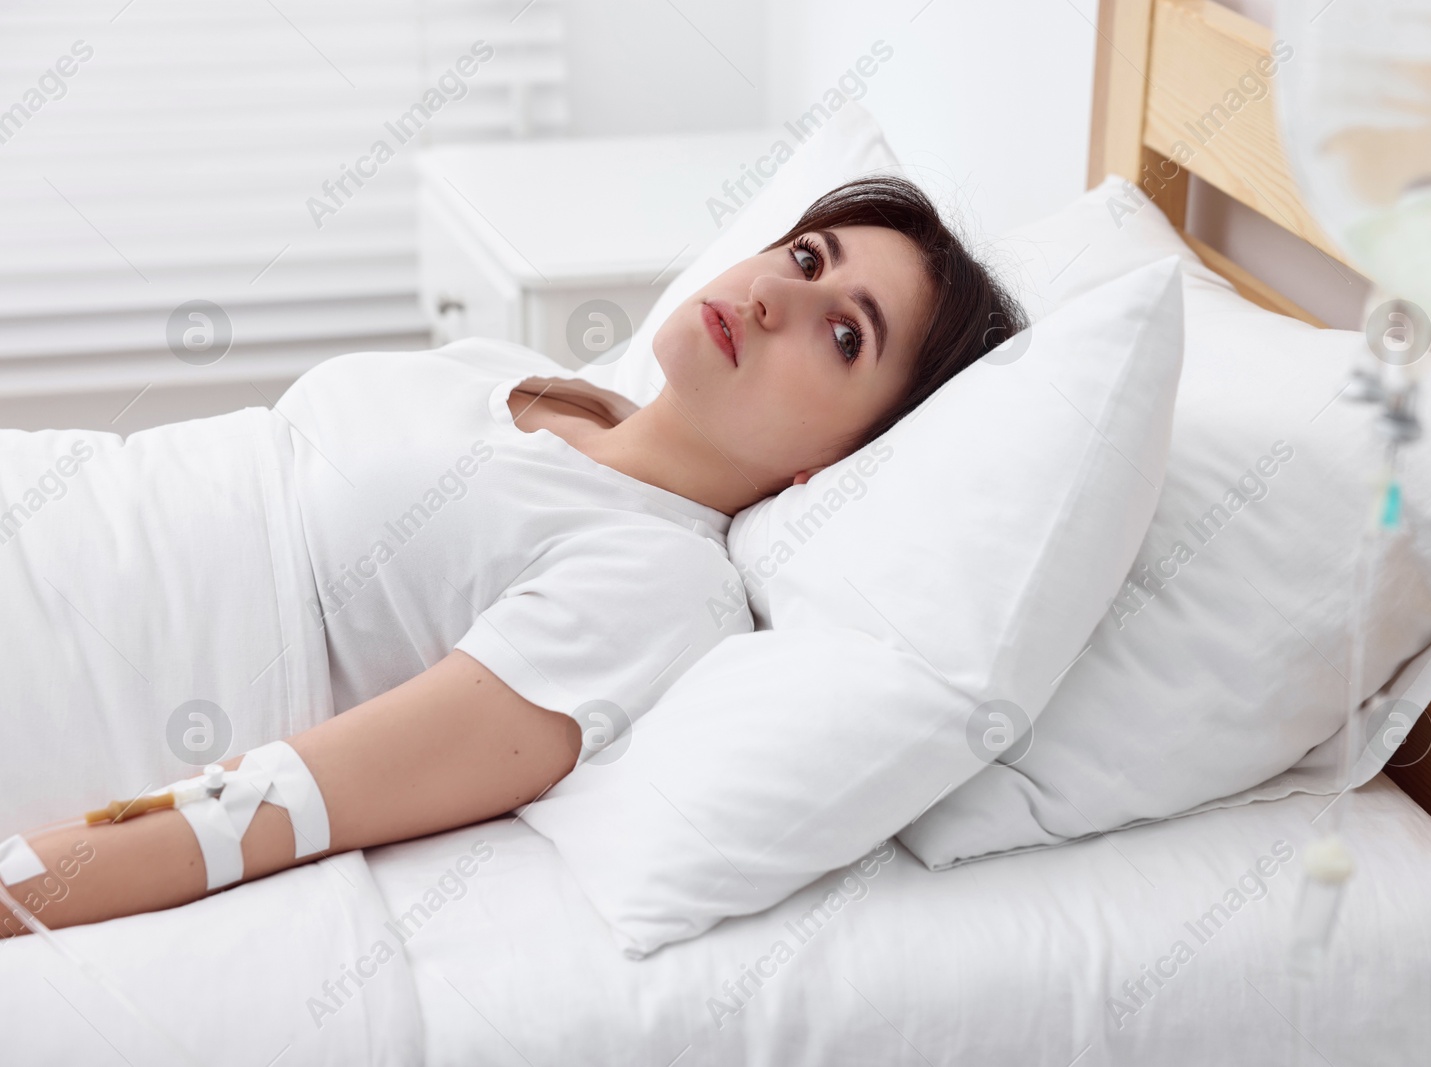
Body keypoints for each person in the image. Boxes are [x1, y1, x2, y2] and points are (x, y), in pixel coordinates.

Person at [0, 175, 1025, 936]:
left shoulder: (658, 586)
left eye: (844, 336)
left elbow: (267, 811)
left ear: (839, 465)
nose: (774, 297)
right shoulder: (537, 382)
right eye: (806, 257)